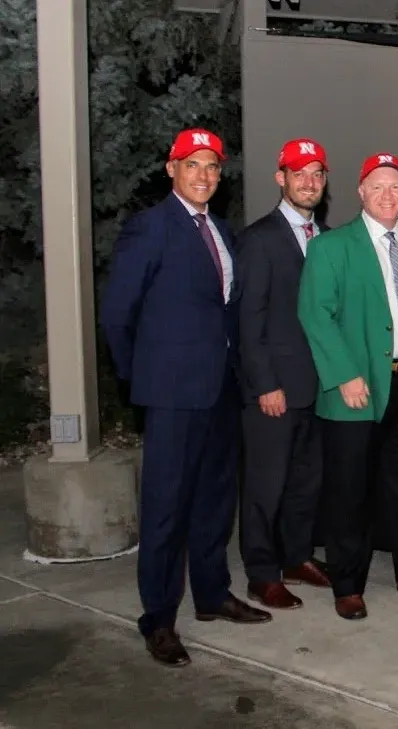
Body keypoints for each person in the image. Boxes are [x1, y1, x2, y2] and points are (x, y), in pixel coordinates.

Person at [101, 128, 271, 668]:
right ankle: (158, 617)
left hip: (220, 389)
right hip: (172, 394)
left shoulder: (221, 230)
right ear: (170, 168)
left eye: (213, 168)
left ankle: (213, 593)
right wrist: (143, 379)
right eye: (192, 164)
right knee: (165, 508)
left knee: (215, 501)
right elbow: (116, 315)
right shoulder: (149, 229)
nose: (204, 175)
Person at [297, 152, 398, 620]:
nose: (387, 195)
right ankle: (347, 584)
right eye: (377, 187)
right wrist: (345, 374)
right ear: (360, 193)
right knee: (350, 491)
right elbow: (316, 314)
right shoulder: (332, 247)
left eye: (395, 187)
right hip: (357, 388)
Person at [236, 138, 333, 610]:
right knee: (264, 485)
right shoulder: (259, 239)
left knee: (306, 483)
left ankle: (296, 556)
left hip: (318, 389)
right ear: (282, 179)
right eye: (300, 173)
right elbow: (248, 319)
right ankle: (261, 572)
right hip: (275, 389)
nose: (309, 182)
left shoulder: (328, 238)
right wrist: (264, 383)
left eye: (317, 173)